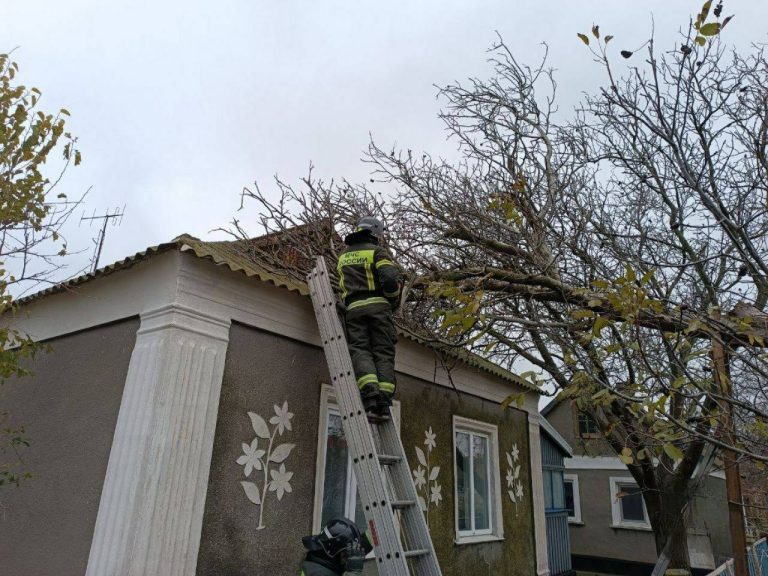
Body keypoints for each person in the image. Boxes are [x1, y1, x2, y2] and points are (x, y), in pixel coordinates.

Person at [336, 216, 402, 416]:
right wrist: (392, 298)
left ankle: (369, 394)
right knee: (382, 351)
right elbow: (390, 279)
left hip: (353, 309)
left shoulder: (343, 256)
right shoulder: (378, 252)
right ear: (375, 233)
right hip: (378, 308)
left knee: (360, 349)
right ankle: (383, 399)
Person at [299, 517, 373, 575]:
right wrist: (353, 573)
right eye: (346, 553)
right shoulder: (316, 572)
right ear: (335, 550)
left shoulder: (327, 560)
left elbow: (361, 546)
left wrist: (374, 531)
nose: (349, 557)